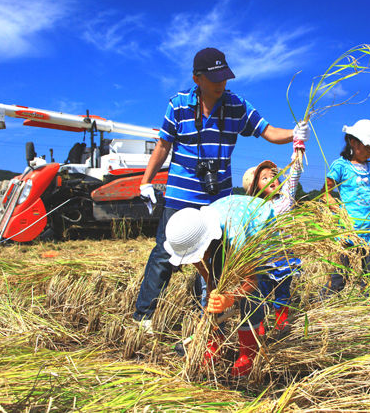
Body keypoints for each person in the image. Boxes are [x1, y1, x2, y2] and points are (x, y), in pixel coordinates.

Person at [133, 47, 310, 326]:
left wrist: (295, 134)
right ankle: (144, 317)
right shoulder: (178, 105)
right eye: (214, 78)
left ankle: (212, 317)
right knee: (165, 255)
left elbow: (268, 131)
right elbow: (163, 146)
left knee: (220, 261)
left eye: (224, 77)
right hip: (180, 195)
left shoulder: (236, 105)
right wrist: (146, 181)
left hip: (219, 201)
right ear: (197, 78)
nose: (221, 83)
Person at [165, 195, 276, 377]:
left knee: (250, 296)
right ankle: (213, 345)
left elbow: (250, 281)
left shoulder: (237, 236)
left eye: (198, 254)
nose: (196, 260)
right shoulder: (189, 237)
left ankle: (249, 352)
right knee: (207, 294)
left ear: (208, 242)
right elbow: (207, 277)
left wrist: (231, 298)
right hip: (223, 224)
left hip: (257, 223)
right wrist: (212, 295)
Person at [322, 120, 370, 296]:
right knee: (339, 275)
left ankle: (369, 310)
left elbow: (365, 199)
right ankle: (322, 304)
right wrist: (339, 212)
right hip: (348, 230)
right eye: (367, 147)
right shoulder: (341, 166)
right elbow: (326, 194)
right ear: (353, 141)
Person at [242, 139, 305, 337]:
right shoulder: (253, 207)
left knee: (283, 292)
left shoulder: (285, 200)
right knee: (260, 294)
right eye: (264, 177)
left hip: (284, 258)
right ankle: (259, 323)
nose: (272, 179)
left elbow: (294, 176)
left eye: (274, 175)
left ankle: (281, 322)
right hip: (262, 260)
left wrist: (297, 152)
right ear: (254, 188)